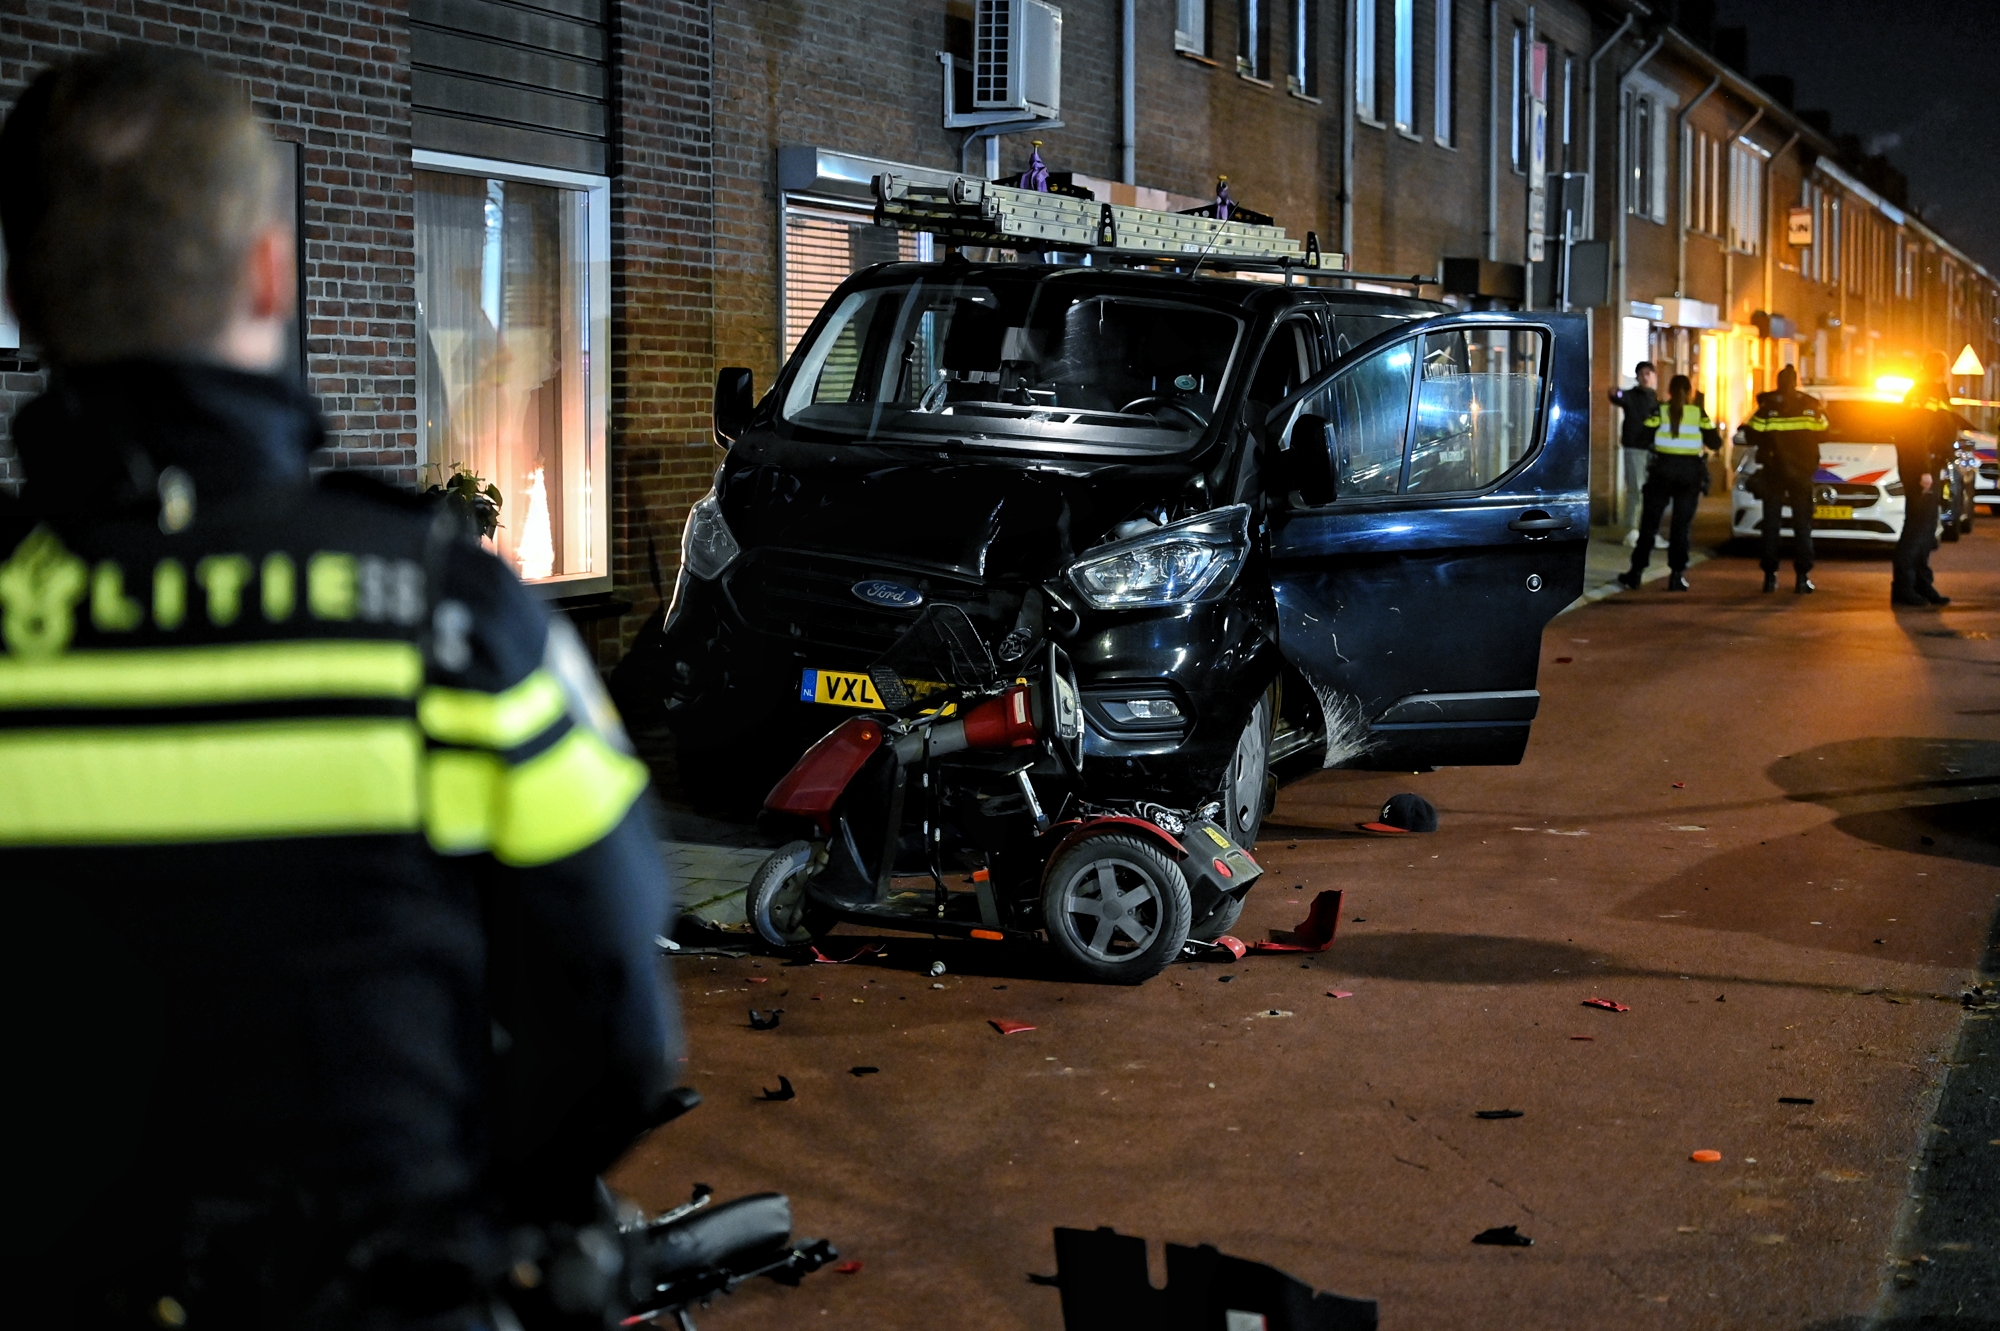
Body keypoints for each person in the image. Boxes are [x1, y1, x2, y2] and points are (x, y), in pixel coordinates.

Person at [0, 50, 681, 1326]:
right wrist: (469, 1208)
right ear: (269, 267)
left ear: (21, 294)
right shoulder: (447, 624)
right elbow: (621, 1031)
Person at [1616, 374, 1721, 592]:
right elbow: (1715, 442)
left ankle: (1635, 573)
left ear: (1669, 392)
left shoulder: (1659, 411)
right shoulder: (1698, 413)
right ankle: (1676, 576)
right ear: (1689, 392)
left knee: (1649, 525)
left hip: (1661, 473)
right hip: (1689, 475)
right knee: (1681, 527)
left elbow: (1642, 439)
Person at [1743, 365, 1829, 594]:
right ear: (1796, 381)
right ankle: (1802, 578)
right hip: (1801, 474)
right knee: (1802, 525)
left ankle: (1770, 577)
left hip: (1773, 472)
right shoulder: (1809, 404)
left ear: (1778, 381)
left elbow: (1751, 433)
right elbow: (1824, 430)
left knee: (1771, 525)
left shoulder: (1768, 405)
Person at [1892, 351, 1964, 607]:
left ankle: (1922, 584)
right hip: (1922, 469)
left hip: (1931, 466)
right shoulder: (1924, 394)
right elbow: (1916, 434)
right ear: (1941, 368)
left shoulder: (1933, 392)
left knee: (1927, 530)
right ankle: (1903, 587)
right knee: (1917, 529)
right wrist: (1923, 470)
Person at [1607, 361, 1659, 539]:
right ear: (1637, 377)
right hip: (1635, 447)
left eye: (1648, 374)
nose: (1645, 377)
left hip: (1651, 449)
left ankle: (1645, 530)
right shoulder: (1632, 395)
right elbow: (1619, 396)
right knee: (1636, 489)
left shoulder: (1655, 397)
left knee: (1649, 491)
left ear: (1653, 376)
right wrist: (1615, 393)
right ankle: (1631, 530)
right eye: (1642, 374)